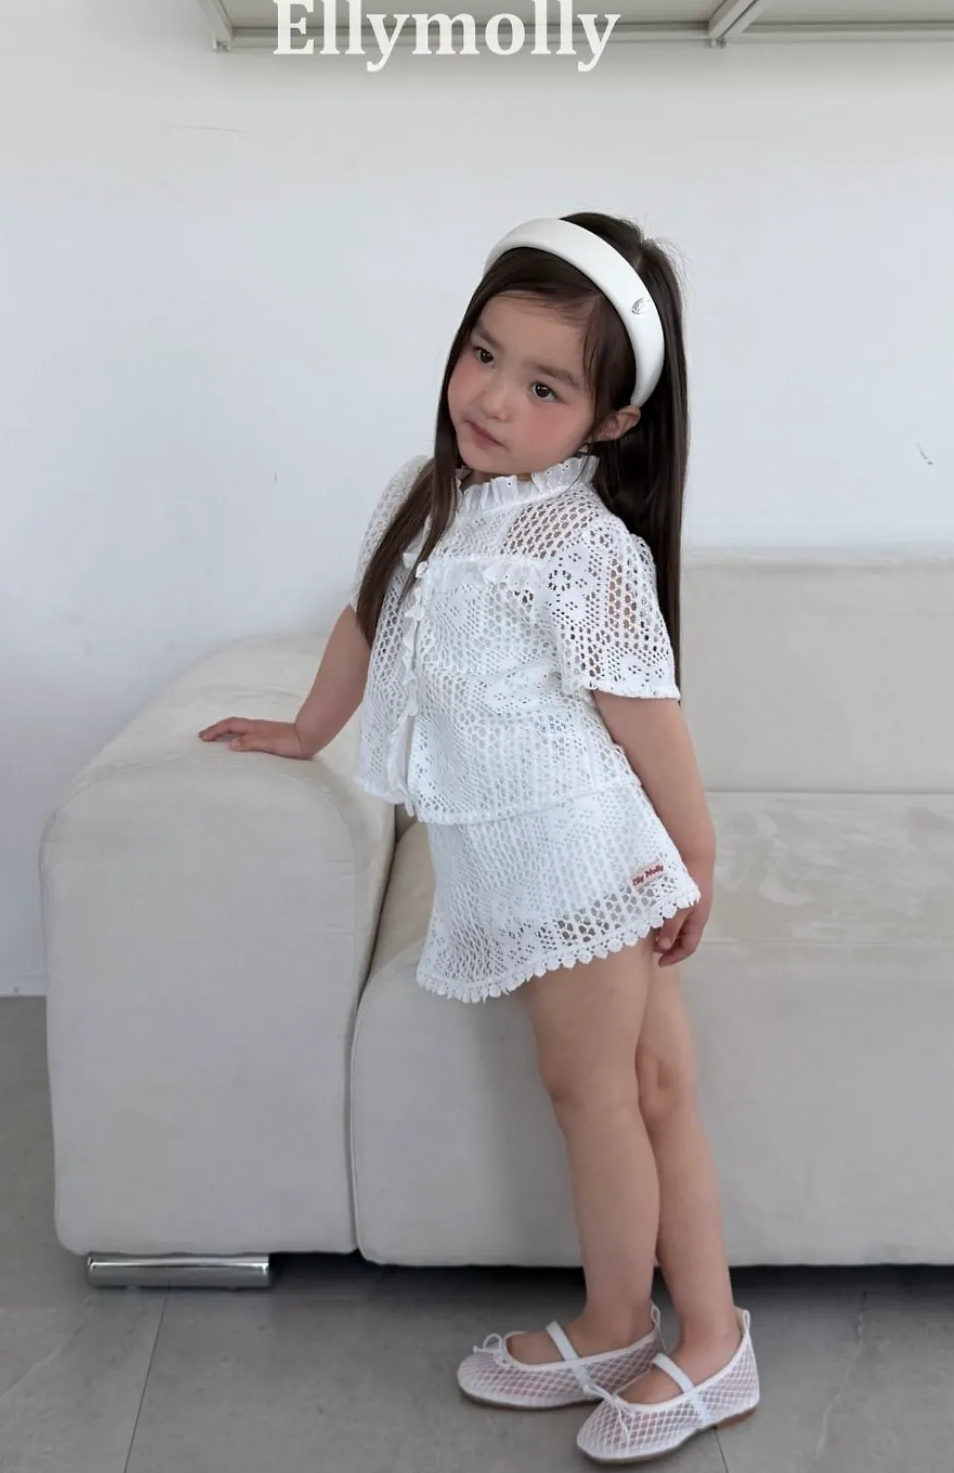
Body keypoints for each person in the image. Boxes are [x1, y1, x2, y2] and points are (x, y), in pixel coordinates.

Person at [200, 212, 759, 1465]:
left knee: (597, 1091)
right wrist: (307, 730)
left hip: (581, 851)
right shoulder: (425, 494)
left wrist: (696, 857)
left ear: (612, 420)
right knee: (650, 1087)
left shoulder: (579, 544)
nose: (494, 398)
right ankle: (714, 1334)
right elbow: (368, 616)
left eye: (545, 386)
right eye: (484, 354)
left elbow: (646, 713)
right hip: (515, 850)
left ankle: (625, 1320)